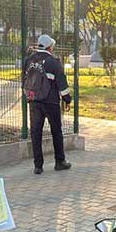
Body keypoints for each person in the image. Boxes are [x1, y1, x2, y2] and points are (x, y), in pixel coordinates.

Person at [23, 33, 71, 174]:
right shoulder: (53, 61)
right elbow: (61, 83)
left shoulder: (29, 60)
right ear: (50, 47)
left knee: (35, 132)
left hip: (34, 101)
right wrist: (67, 100)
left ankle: (38, 166)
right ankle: (59, 162)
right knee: (56, 131)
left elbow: (24, 80)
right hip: (51, 102)